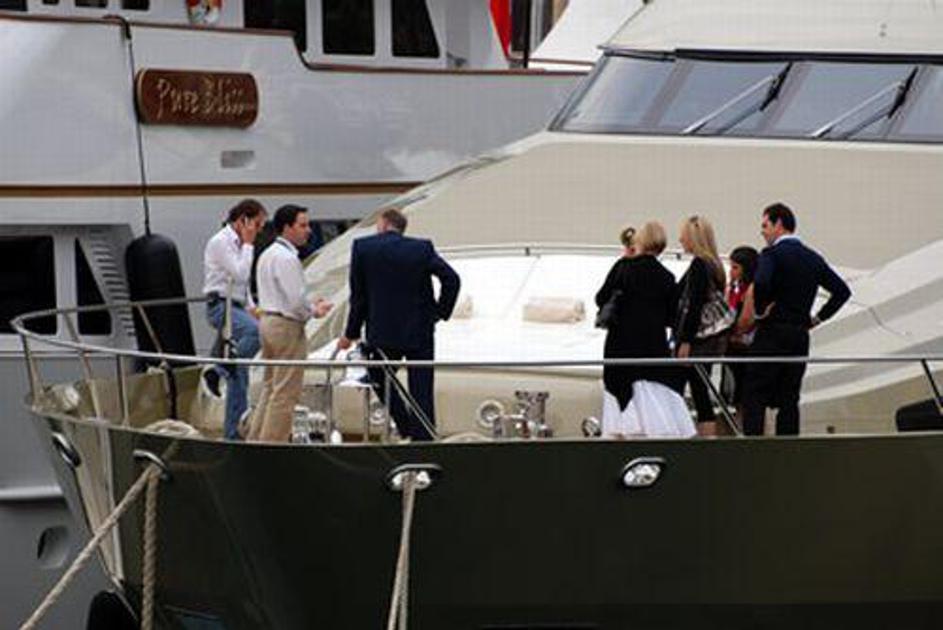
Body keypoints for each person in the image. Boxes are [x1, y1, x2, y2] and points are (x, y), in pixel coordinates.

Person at [337, 208, 460, 441]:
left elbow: (359, 297)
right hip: (419, 329)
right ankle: (423, 438)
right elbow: (451, 279)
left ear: (383, 224)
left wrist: (351, 333)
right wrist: (439, 312)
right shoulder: (421, 248)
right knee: (421, 390)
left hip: (381, 330)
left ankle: (405, 427)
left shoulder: (363, 248)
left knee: (378, 376)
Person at [742, 202, 851, 436]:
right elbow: (842, 292)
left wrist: (760, 310)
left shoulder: (771, 255)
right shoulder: (813, 258)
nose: (762, 232)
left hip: (772, 332)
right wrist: (817, 318)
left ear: (779, 224)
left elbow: (761, 282)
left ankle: (752, 447)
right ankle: (789, 448)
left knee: (755, 392)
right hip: (799, 335)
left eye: (765, 225)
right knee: (789, 397)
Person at [595, 222, 693, 438]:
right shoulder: (666, 277)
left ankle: (624, 432)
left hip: (621, 345)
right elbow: (671, 316)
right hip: (652, 345)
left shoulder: (623, 268)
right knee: (655, 400)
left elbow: (601, 298)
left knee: (620, 397)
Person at [248, 205, 333, 443]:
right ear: (287, 228)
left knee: (270, 386)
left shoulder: (267, 254)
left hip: (267, 320)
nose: (308, 230)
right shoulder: (287, 258)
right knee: (286, 391)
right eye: (302, 225)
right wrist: (314, 310)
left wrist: (307, 305)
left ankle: (256, 439)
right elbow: (295, 301)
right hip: (285, 326)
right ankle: (271, 445)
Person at [202, 199, 266, 440]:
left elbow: (242, 285)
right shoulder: (221, 242)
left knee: (240, 376)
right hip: (221, 306)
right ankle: (219, 368)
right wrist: (249, 244)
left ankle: (233, 434)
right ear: (243, 221)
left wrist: (252, 307)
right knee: (255, 333)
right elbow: (240, 273)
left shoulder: (238, 243)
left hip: (235, 306)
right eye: (257, 225)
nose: (259, 231)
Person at [674, 215, 729, 435]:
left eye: (684, 236)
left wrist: (685, 340)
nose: (680, 240)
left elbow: (694, 305)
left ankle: (681, 434)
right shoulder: (715, 266)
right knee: (700, 389)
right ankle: (708, 437)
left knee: (682, 389)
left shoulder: (699, 265)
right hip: (711, 340)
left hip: (696, 340)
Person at [723, 246, 759, 426]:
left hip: (745, 347)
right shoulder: (734, 289)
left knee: (744, 393)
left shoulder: (752, 289)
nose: (732, 272)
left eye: (735, 268)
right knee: (732, 393)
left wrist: (735, 332)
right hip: (732, 347)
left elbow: (747, 319)